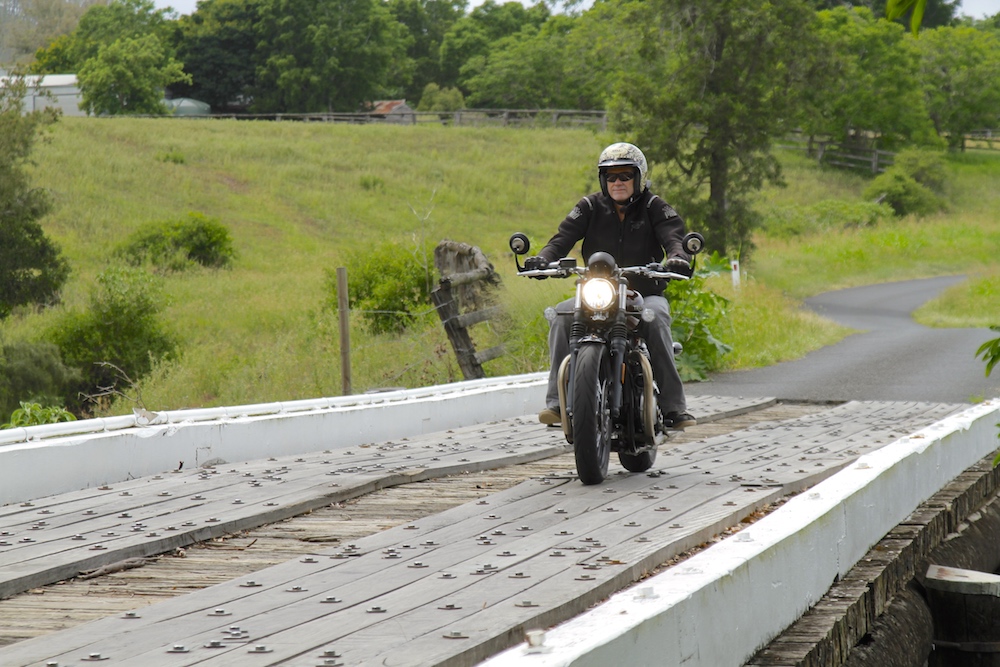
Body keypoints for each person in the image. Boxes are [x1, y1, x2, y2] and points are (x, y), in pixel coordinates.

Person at [523, 141, 696, 430]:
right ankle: (557, 402)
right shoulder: (589, 206)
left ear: (638, 178)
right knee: (562, 316)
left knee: (656, 319)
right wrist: (543, 259)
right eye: (611, 176)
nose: (618, 182)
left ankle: (673, 407)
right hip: (597, 292)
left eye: (625, 175)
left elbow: (673, 237)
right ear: (603, 180)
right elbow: (561, 239)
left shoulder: (654, 207)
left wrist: (678, 257)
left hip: (644, 292)